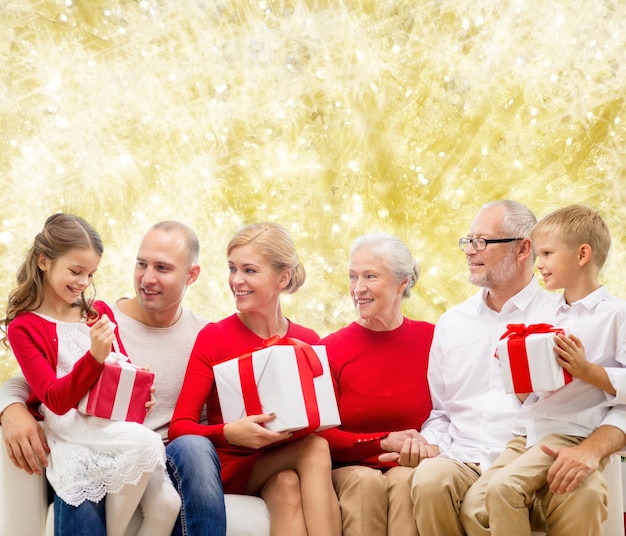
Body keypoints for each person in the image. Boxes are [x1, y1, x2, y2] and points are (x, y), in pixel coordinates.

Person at [0, 220, 227, 536]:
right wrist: (9, 408)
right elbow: (34, 384)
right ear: (43, 262)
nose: (147, 278)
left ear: (191, 275)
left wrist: (139, 390)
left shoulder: (204, 335)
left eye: (162, 268)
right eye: (141, 264)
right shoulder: (95, 316)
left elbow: (122, 368)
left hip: (138, 438)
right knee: (92, 472)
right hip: (82, 432)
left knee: (170, 494)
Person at [168, 222, 342, 536]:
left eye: (249, 270)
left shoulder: (307, 340)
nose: (236, 280)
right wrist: (229, 433)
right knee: (314, 450)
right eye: (232, 268)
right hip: (231, 463)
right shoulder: (215, 336)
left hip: (280, 463)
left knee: (287, 484)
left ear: (283, 277)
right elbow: (179, 426)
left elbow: (325, 424)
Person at [461, 204, 626, 536]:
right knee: (475, 509)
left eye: (547, 253)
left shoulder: (616, 314)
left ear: (582, 255)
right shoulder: (551, 317)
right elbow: (538, 394)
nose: (539, 264)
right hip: (529, 433)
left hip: (569, 432)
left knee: (503, 490)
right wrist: (519, 373)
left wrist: (586, 369)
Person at [318, 232, 434, 536]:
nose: (358, 288)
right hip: (351, 470)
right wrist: (383, 442)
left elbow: (455, 413)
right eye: (353, 276)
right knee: (364, 483)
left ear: (402, 282)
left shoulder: (433, 340)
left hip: (410, 466)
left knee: (405, 480)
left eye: (370, 276)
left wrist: (425, 450)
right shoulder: (330, 348)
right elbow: (322, 437)